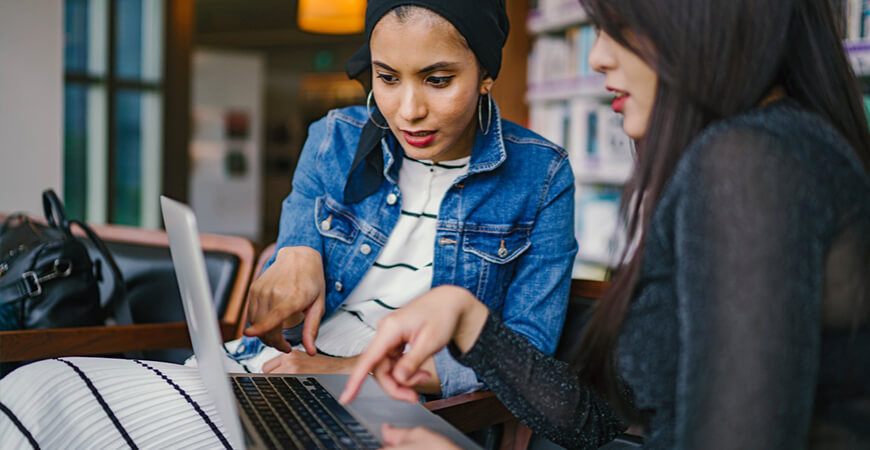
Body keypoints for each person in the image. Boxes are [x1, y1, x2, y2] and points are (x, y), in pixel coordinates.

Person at [0, 1, 578, 447]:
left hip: (392, 406)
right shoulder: (336, 137)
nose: (407, 110)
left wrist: (339, 368)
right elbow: (288, 268)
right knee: (35, 386)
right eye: (387, 77)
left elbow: (521, 357)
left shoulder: (542, 176)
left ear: (485, 74)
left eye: (437, 79)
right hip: (268, 373)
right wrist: (294, 250)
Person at [342, 0, 870, 448]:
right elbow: (601, 423)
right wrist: (468, 321)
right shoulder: (769, 149)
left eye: (619, 27)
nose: (597, 57)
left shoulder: (750, 163)